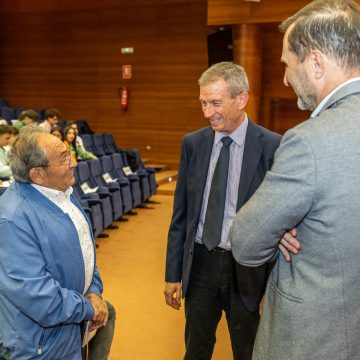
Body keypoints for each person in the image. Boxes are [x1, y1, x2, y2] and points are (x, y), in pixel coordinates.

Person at [230, 1, 360, 359]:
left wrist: (281, 227)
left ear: (316, 63)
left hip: (317, 339)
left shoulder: (309, 141)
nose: (286, 78)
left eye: (288, 64)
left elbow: (246, 241)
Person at [164, 62, 281, 360]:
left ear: (241, 99)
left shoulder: (272, 146)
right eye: (203, 103)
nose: (207, 112)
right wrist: (172, 274)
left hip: (247, 268)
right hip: (201, 263)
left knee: (248, 348)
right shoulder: (193, 144)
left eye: (215, 103)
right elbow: (181, 216)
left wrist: (273, 284)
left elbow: (279, 220)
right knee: (197, 347)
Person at [0, 126, 115, 359]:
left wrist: (94, 291)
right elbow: (37, 296)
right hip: (39, 344)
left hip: (70, 325)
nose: (73, 162)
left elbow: (86, 252)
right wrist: (88, 308)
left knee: (109, 313)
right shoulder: (13, 219)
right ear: (38, 174)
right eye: (63, 158)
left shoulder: (63, 192)